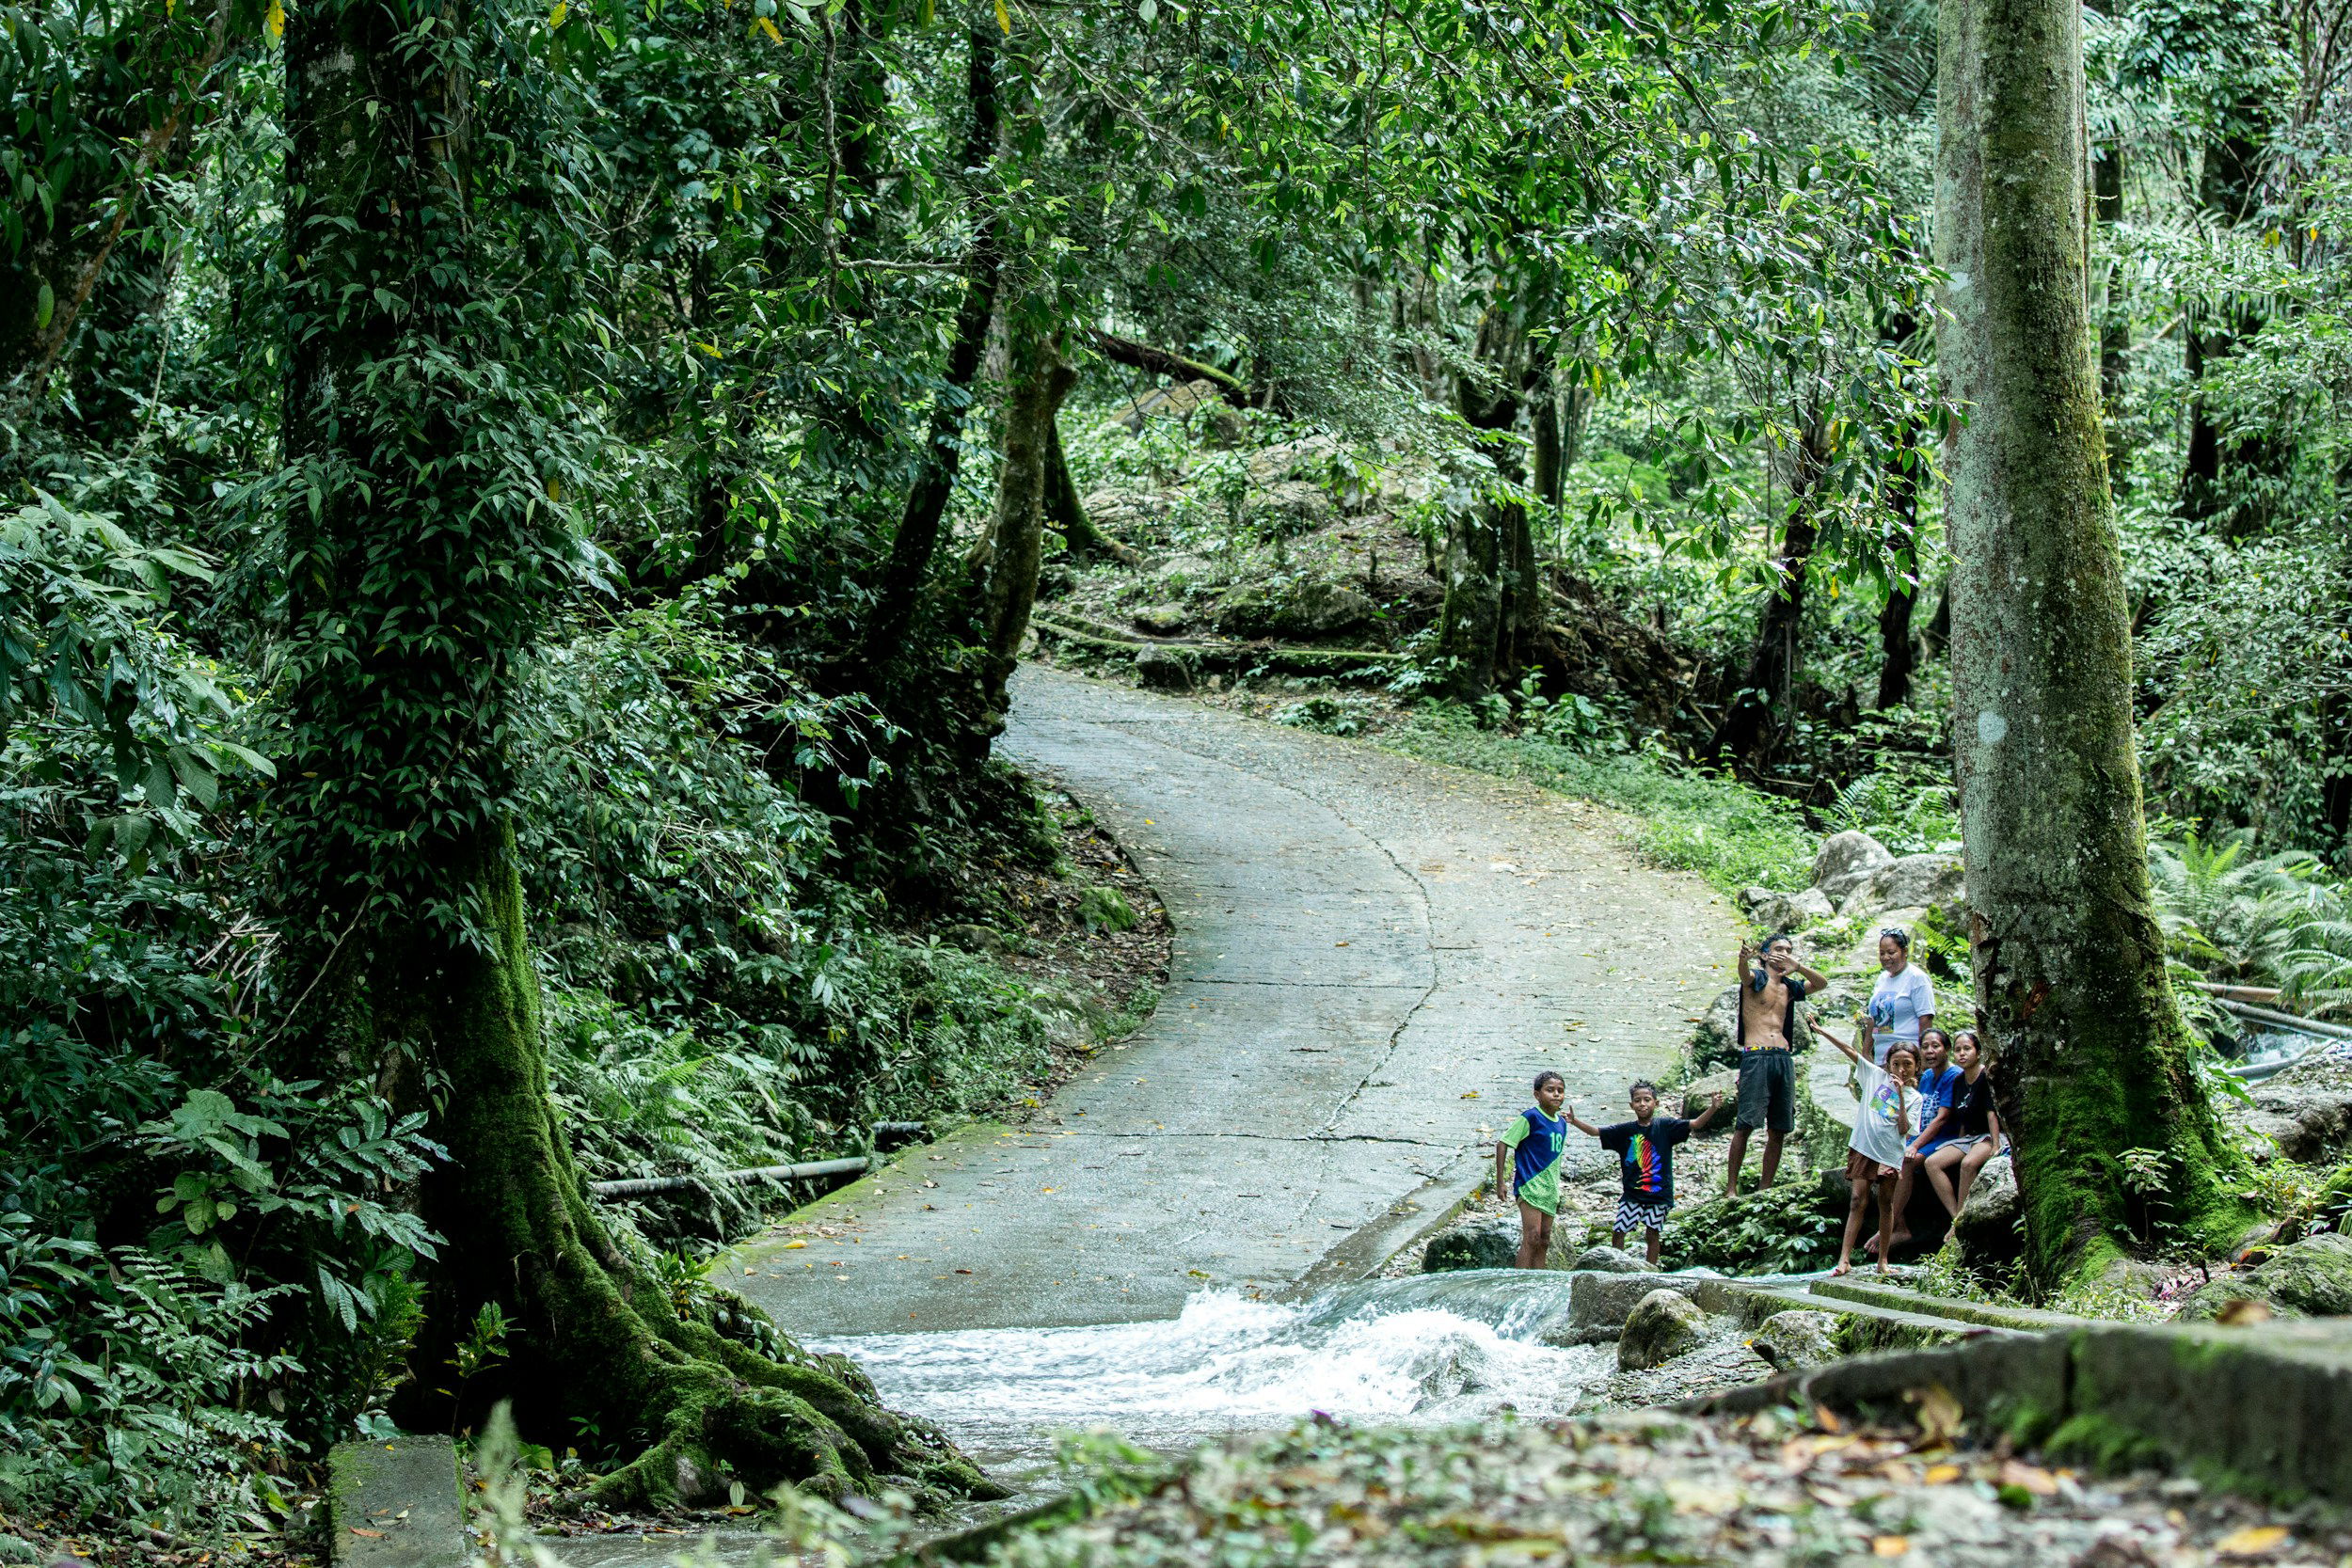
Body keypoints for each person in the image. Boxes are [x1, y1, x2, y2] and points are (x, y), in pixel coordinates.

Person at [1565, 1081, 1724, 1266]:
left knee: (1652, 1233)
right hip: (1633, 1194)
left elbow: (1695, 1124)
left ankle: (1650, 1268)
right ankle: (1617, 1265)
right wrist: (1575, 1121)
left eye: (1647, 1100)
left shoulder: (1666, 1126)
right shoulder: (1624, 1130)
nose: (1642, 1104)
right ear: (1631, 1105)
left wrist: (1713, 1108)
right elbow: (1596, 1132)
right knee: (1619, 1230)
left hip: (1659, 1194)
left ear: (1656, 1103)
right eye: (1638, 1100)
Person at [1726, 932, 1829, 1197]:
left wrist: (1799, 967)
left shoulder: (1790, 987)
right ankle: (1731, 1188)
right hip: (1756, 1055)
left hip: (1783, 1058)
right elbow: (1744, 976)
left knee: (1779, 1127)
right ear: (1765, 954)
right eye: (1778, 949)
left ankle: (1766, 1187)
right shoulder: (1757, 979)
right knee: (1746, 1123)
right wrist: (1742, 960)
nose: (1784, 953)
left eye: (1789, 949)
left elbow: (1821, 983)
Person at [1818, 1024, 1918, 1276]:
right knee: (1856, 1200)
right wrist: (1821, 1031)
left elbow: (1904, 1128)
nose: (1901, 1069)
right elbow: (1849, 1050)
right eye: (1896, 1064)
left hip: (1889, 1154)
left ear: (1916, 1066)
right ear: (1888, 1064)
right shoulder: (1874, 1076)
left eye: (1907, 1064)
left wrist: (1900, 1096)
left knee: (1886, 1203)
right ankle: (1844, 1260)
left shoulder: (1916, 1097)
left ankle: (1882, 1261)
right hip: (1864, 1147)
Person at [1878, 1026, 1956, 1257]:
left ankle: (1887, 1227)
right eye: (1925, 1047)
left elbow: (1942, 1118)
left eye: (1936, 1046)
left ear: (1946, 1049)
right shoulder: (1928, 1076)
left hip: (1943, 1138)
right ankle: (1899, 1226)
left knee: (1906, 1162)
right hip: (1919, 1135)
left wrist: (1914, 1145)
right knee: (1885, 1160)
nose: (1930, 1051)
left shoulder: (1952, 1076)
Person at [1923, 1030, 2005, 1216]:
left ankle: (1962, 1217)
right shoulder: (1959, 1080)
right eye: (1958, 1049)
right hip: (1969, 1137)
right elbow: (1962, 1117)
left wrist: (1996, 1145)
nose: (1962, 1053)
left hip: (1989, 1135)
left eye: (1967, 1049)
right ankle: (1955, 1216)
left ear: (1978, 1052)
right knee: (1932, 1163)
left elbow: (1991, 1114)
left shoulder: (1985, 1077)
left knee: (1967, 1164)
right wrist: (1958, 1143)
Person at [1495, 1070, 1570, 1269]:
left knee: (1544, 1240)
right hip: (1529, 1184)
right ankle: (1520, 1282)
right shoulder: (1531, 1118)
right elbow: (1503, 1144)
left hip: (1550, 1188)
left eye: (1560, 1091)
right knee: (1532, 1237)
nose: (1556, 1095)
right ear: (1537, 1094)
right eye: (1550, 1090)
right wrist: (1500, 1181)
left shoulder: (1562, 1123)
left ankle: (1538, 1281)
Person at [1861, 927, 1936, 1067]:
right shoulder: (1882, 979)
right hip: (1881, 1060)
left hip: (1906, 1060)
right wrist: (1866, 1052)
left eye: (1891, 952)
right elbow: (1874, 1018)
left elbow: (1925, 1019)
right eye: (1881, 953)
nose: (1885, 957)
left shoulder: (1917, 978)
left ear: (1905, 951)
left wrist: (1921, 1060)